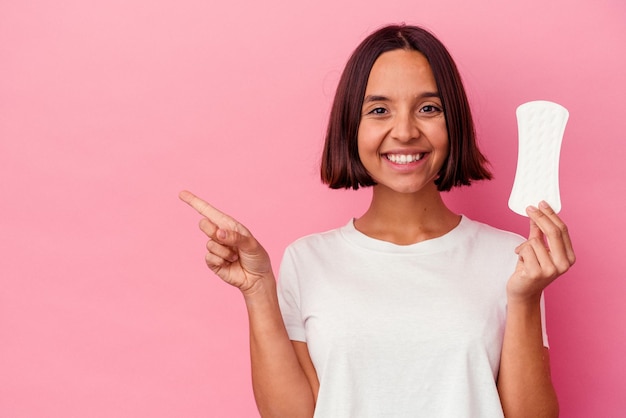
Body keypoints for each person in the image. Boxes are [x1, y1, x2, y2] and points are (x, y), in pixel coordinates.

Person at [180, 24, 575, 418]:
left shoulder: (511, 260)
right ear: (351, 126)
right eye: (379, 110)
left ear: (452, 122)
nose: (404, 132)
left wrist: (524, 298)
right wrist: (258, 290)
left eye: (428, 108)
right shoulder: (308, 259)